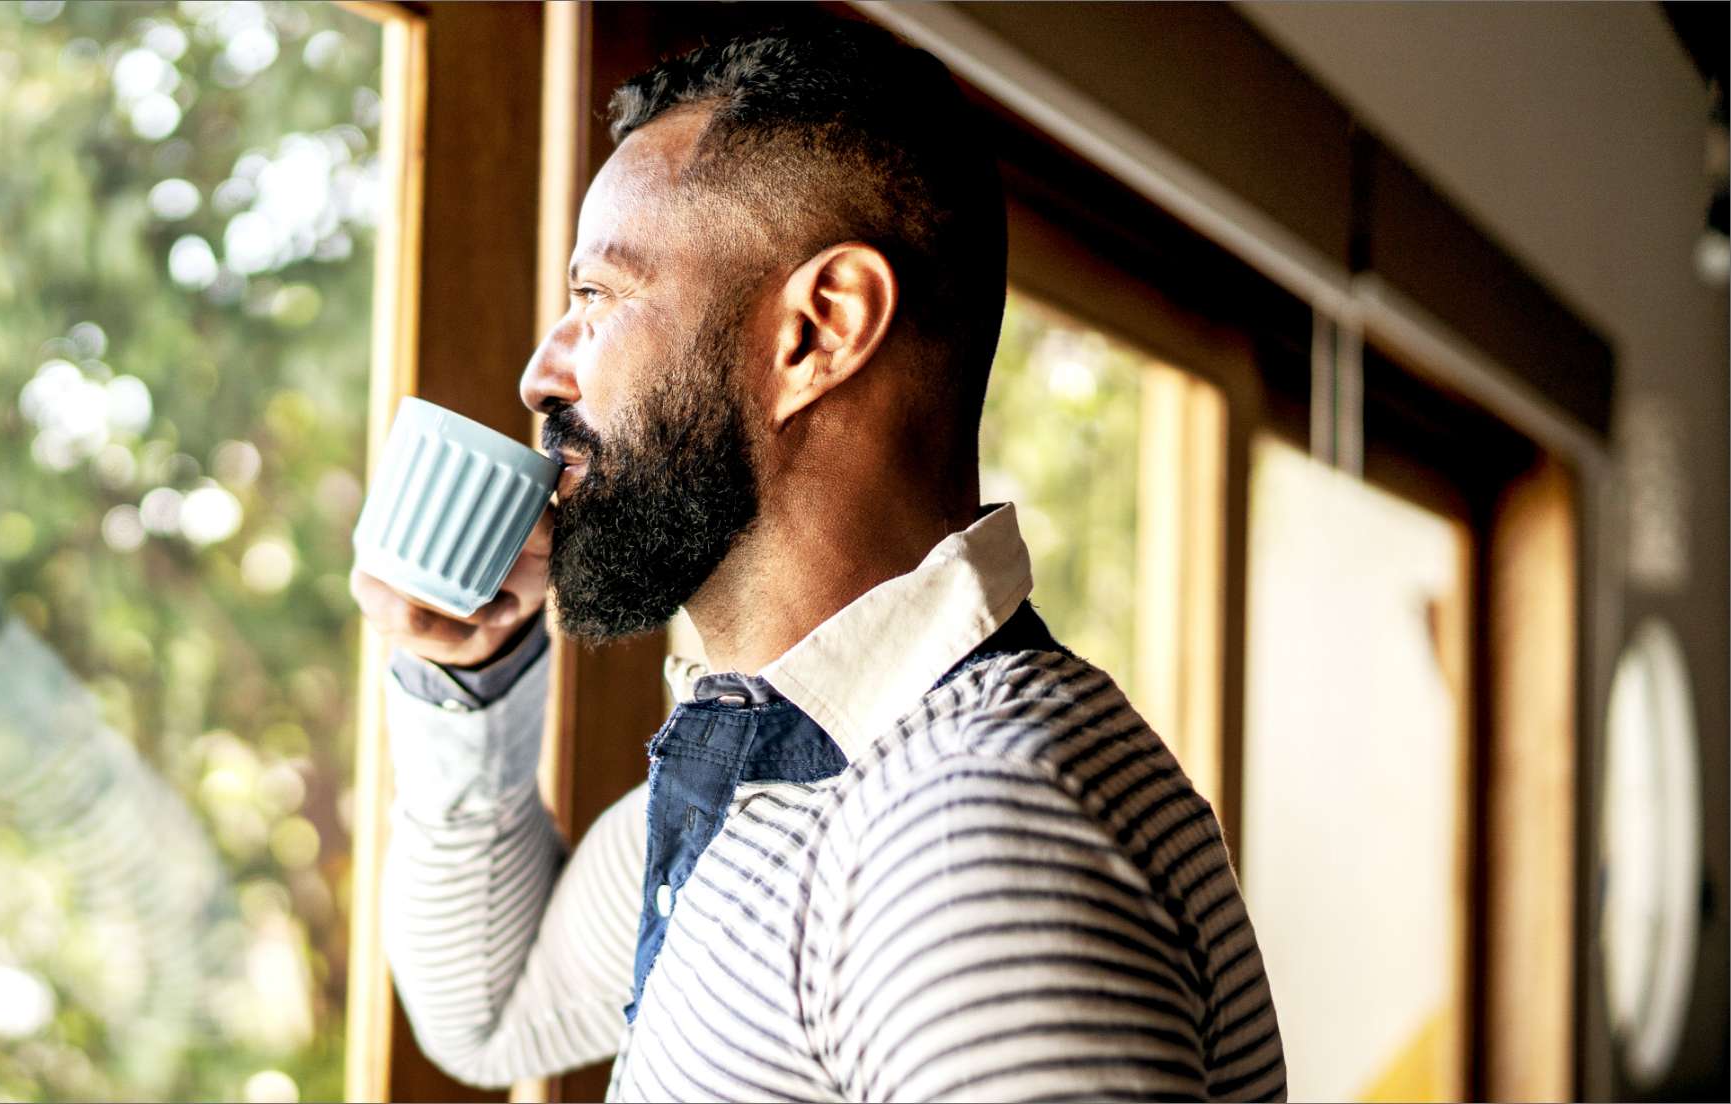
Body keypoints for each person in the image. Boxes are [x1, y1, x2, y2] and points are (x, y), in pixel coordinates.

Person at [351, 23, 1287, 1102]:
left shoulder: (971, 836)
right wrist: (467, 670)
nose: (539, 373)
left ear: (820, 332)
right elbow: (493, 1007)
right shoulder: (785, 761)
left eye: (597, 298)